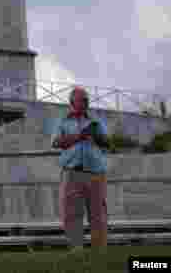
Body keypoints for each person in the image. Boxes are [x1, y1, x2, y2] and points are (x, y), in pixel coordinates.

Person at [51, 86, 110, 249]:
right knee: (72, 214)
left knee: (98, 214)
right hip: (72, 173)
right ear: (72, 102)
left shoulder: (96, 121)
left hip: (96, 173)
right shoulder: (62, 121)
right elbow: (57, 143)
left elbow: (107, 143)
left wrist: (97, 136)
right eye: (82, 99)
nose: (86, 102)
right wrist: (79, 136)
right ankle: (76, 250)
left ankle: (100, 250)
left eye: (87, 99)